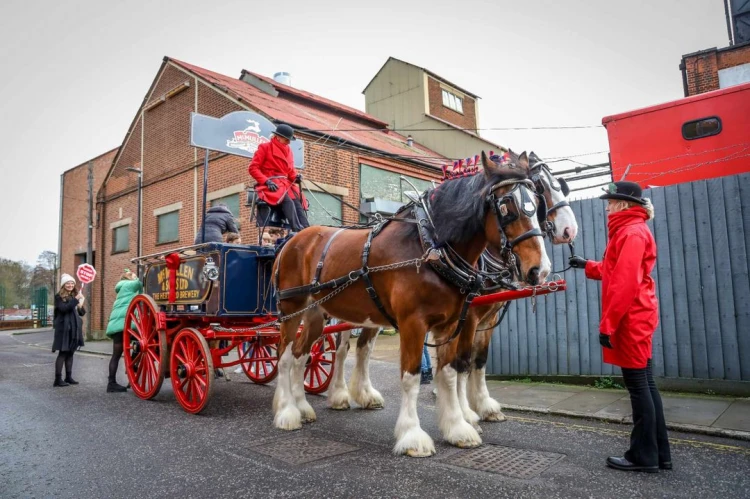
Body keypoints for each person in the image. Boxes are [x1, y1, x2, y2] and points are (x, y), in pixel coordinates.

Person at [569, 181, 671, 473]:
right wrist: (586, 264)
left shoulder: (631, 233)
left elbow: (624, 284)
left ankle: (643, 456)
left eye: (611, 201)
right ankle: (659, 454)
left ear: (624, 205)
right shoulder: (630, 232)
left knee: (639, 387)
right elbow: (615, 270)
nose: (607, 206)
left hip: (631, 318)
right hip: (637, 315)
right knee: (646, 385)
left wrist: (608, 325)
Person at [248, 123, 310, 232]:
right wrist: (266, 181)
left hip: (285, 184)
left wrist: (296, 177)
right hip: (271, 185)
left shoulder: (289, 151)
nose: (289, 142)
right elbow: (253, 168)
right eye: (287, 139)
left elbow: (290, 171)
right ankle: (297, 229)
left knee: (298, 202)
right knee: (288, 202)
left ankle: (307, 229)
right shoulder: (265, 147)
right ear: (278, 137)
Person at [104, 269, 143, 393]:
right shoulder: (128, 285)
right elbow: (140, 282)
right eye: (133, 275)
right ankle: (132, 364)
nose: (135, 277)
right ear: (128, 278)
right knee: (141, 343)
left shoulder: (121, 288)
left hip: (117, 325)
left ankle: (111, 383)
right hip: (126, 324)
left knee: (115, 356)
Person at [52, 274, 85, 387]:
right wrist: (76, 300)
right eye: (67, 283)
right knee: (63, 353)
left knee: (71, 353)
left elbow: (81, 313)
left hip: (74, 329)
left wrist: (81, 304)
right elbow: (64, 309)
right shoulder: (58, 297)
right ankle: (57, 380)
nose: (70, 285)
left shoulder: (74, 295)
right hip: (64, 329)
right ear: (63, 285)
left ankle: (68, 377)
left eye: (72, 283)